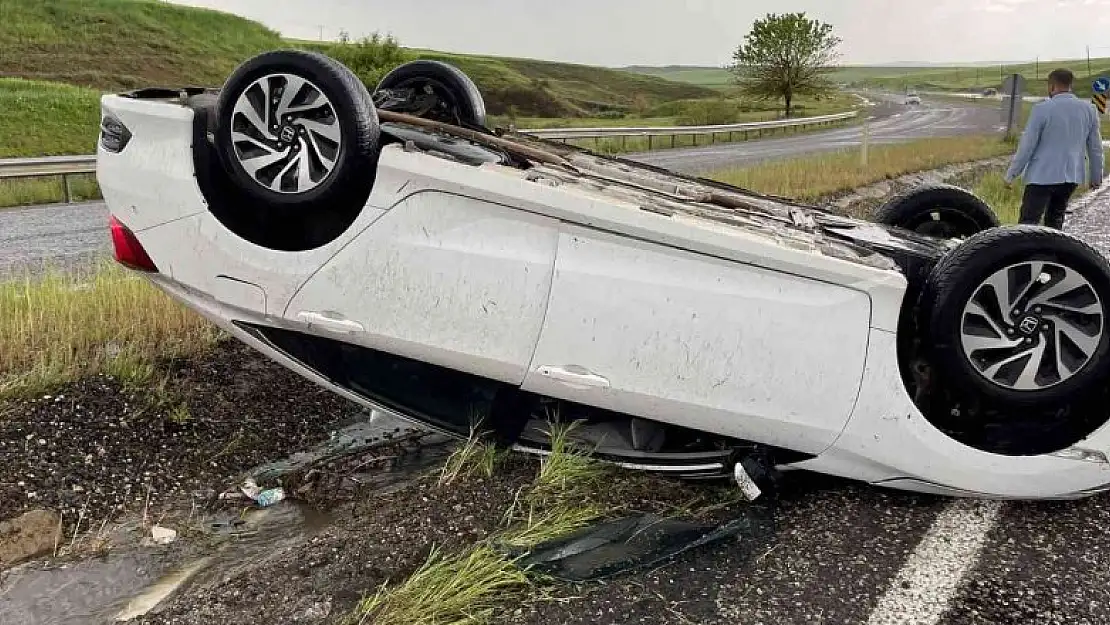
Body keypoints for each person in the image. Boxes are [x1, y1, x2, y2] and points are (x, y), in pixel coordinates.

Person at [1004, 68, 1104, 229]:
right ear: (1070, 85)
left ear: (1051, 86)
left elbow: (1027, 145)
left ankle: (1027, 253)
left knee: (1028, 223)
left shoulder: (1042, 109)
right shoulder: (1089, 109)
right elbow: (1095, 148)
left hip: (1041, 175)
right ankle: (1053, 252)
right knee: (1055, 221)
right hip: (1071, 176)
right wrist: (1096, 176)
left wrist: (1011, 174)